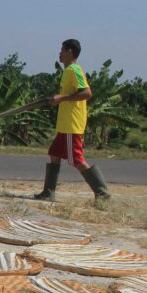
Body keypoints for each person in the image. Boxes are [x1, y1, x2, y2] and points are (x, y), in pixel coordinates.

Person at [33, 39, 110, 200]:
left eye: (62, 50)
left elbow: (87, 93)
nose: (59, 53)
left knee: (77, 159)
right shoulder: (68, 71)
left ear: (69, 52)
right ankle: (49, 192)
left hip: (72, 125)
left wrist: (62, 98)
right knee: (54, 153)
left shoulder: (74, 70)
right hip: (65, 125)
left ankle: (101, 192)